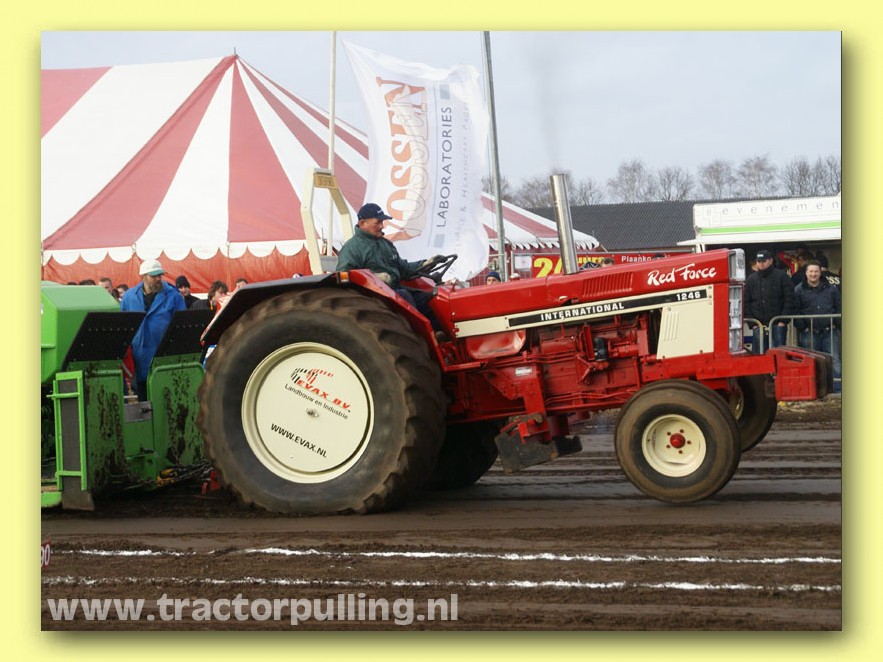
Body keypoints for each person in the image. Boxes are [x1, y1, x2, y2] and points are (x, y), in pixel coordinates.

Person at [336, 203, 443, 329]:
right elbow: (344, 276)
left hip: (394, 291)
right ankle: (421, 334)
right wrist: (375, 278)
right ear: (363, 223)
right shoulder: (351, 248)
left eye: (382, 222)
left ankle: (440, 335)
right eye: (378, 222)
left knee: (430, 298)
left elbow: (403, 269)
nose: (382, 226)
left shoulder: (386, 244)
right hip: (375, 297)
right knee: (404, 295)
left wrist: (426, 264)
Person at [120, 259, 186, 400]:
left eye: (160, 275)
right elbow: (123, 326)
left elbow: (181, 328)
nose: (158, 279)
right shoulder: (129, 297)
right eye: (153, 276)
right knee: (144, 401)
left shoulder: (174, 296)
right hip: (139, 359)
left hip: (164, 358)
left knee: (166, 399)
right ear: (143, 276)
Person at [794, 260, 841, 391]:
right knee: (811, 361)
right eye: (811, 271)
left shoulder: (832, 289)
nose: (813, 274)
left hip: (830, 330)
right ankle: (814, 389)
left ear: (820, 272)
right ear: (806, 273)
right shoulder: (798, 290)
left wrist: (836, 324)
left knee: (834, 360)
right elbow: (795, 310)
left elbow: (839, 307)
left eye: (816, 271)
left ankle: (837, 390)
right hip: (809, 332)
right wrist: (803, 327)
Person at [744, 249, 797, 353]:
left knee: (779, 354)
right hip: (758, 325)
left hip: (777, 324)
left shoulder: (782, 276)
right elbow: (746, 302)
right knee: (759, 356)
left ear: (771, 261)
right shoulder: (751, 279)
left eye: (764, 261)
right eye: (759, 261)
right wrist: (752, 323)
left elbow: (790, 299)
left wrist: (783, 321)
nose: (761, 263)